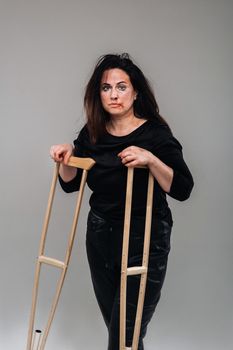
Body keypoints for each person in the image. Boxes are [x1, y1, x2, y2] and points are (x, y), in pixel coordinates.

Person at [50, 53, 194, 350]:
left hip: (145, 238)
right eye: (106, 88)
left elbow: (182, 187)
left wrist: (150, 159)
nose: (113, 95)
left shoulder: (155, 134)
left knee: (124, 335)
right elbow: (71, 184)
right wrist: (67, 157)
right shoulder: (92, 134)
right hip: (100, 236)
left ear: (136, 91)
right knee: (123, 336)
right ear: (97, 93)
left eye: (121, 87)